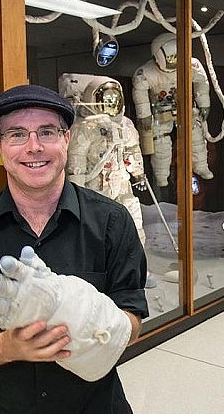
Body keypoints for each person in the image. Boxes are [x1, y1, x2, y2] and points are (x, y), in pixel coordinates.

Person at [0, 84, 149, 413]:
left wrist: (72, 310)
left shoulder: (113, 222)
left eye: (47, 132)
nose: (34, 147)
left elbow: (131, 323)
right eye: (17, 134)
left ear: (67, 139)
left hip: (96, 405)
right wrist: (6, 346)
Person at [59, 73, 157, 288]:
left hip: (121, 186)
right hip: (96, 190)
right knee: (99, 233)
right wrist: (77, 193)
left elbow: (131, 151)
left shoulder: (125, 125)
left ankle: (138, 269)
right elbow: (76, 162)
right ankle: (102, 275)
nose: (112, 104)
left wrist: (138, 173)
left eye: (115, 99)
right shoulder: (82, 128)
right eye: (107, 99)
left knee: (135, 227)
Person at [132, 32, 213, 187]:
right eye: (171, 58)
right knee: (160, 141)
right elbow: (140, 95)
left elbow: (201, 83)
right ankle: (161, 175)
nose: (174, 62)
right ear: (158, 56)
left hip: (186, 107)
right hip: (161, 110)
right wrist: (144, 116)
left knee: (196, 136)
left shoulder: (192, 65)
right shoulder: (145, 72)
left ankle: (201, 166)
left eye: (177, 57)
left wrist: (204, 103)